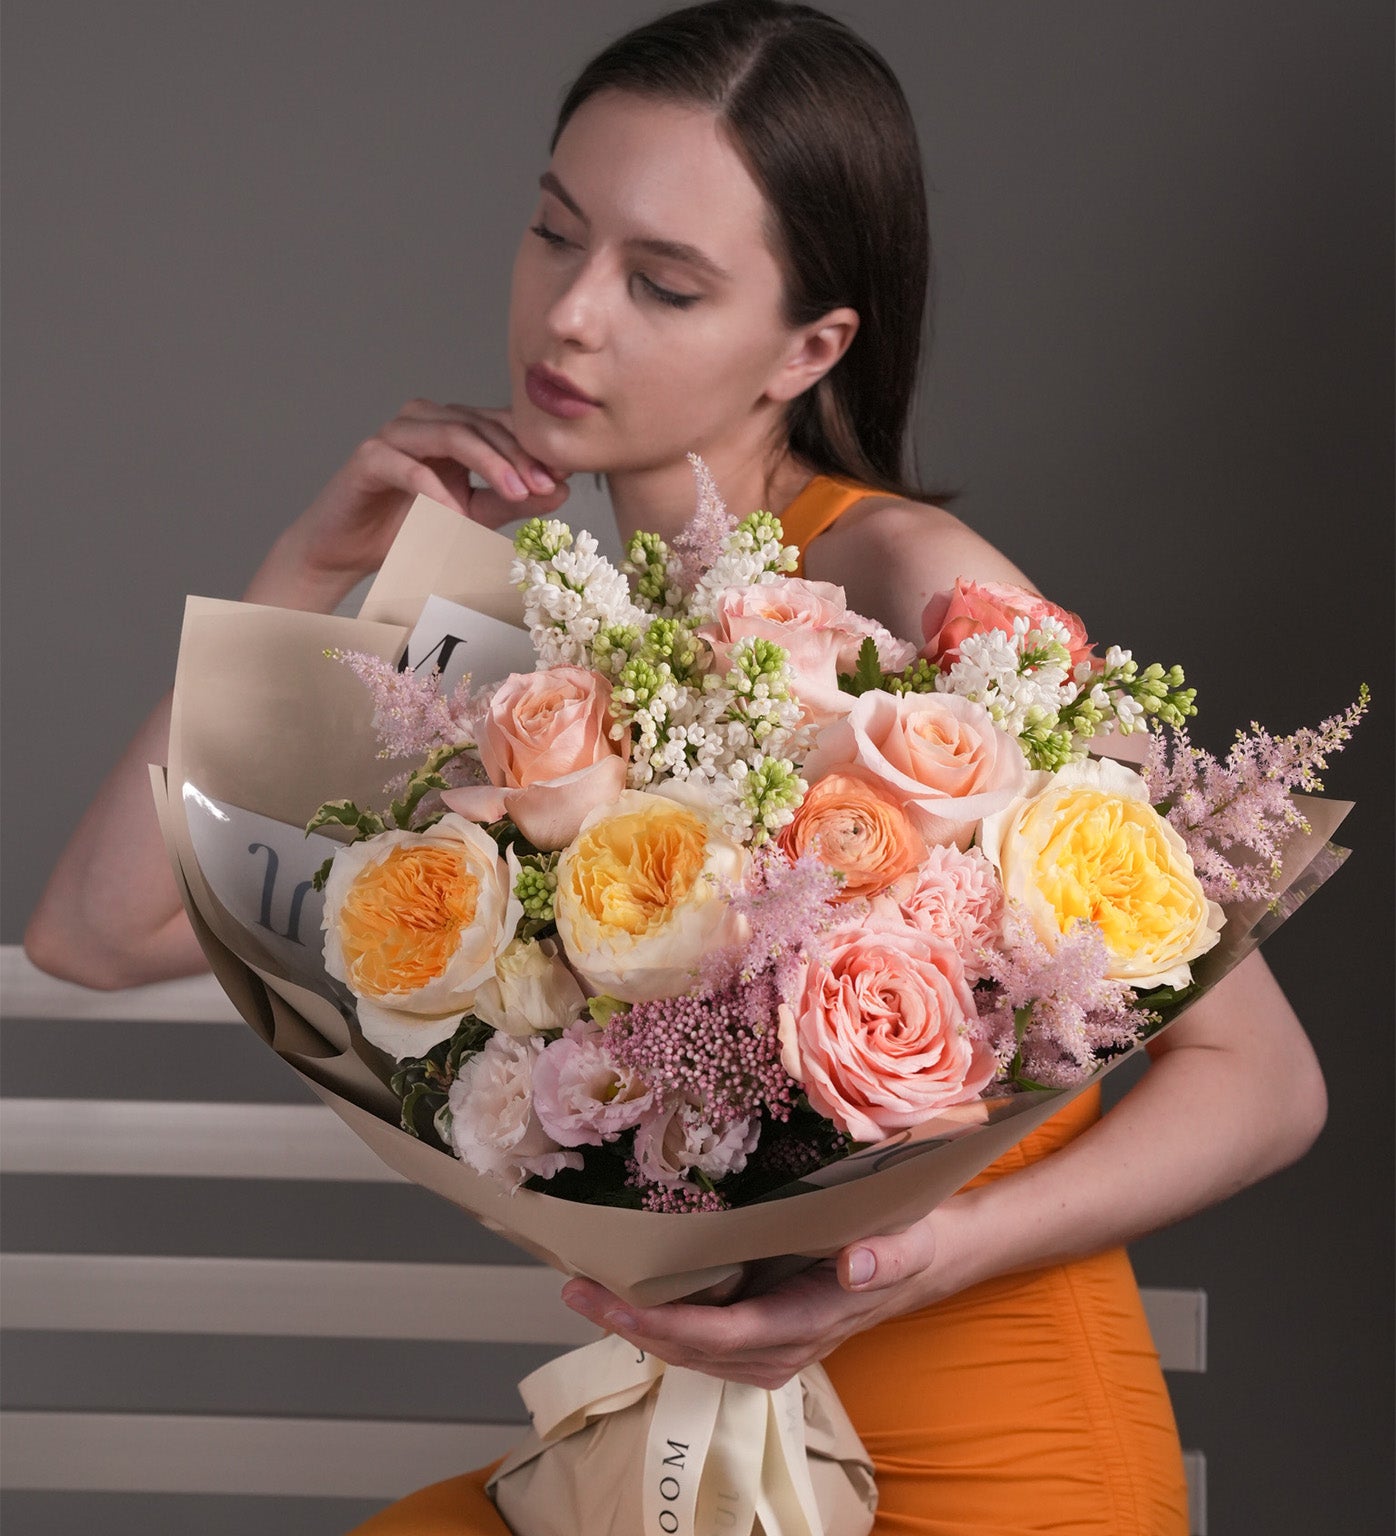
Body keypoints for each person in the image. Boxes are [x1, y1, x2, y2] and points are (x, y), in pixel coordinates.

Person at [24, 3, 1327, 1532]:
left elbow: (1266, 1084)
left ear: (813, 344)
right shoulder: (536, 666)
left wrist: (893, 1266)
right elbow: (96, 934)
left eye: (662, 283)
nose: (571, 317)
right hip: (700, 1467)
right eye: (553, 234)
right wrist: (308, 570)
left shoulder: (919, 586)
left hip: (989, 1457)